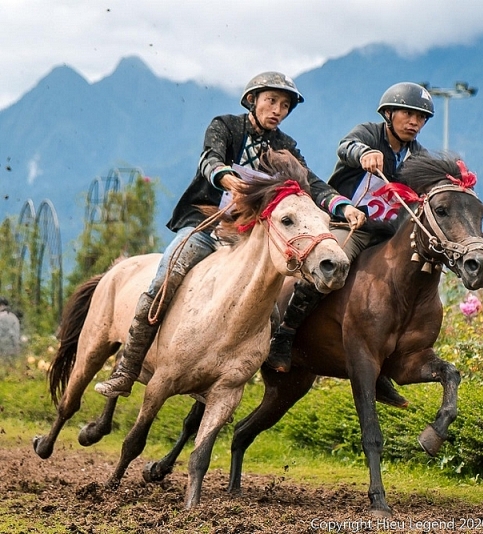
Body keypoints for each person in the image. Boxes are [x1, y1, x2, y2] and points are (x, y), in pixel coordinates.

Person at [95, 71, 366, 398]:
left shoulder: (285, 147)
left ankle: (224, 375)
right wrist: (226, 178)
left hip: (246, 238)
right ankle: (127, 368)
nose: (277, 109)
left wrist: (342, 206)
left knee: (272, 309)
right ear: (252, 100)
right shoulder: (224, 126)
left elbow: (312, 183)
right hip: (205, 225)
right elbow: (209, 161)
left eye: (284, 105)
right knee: (163, 280)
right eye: (271, 101)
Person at [265, 82, 434, 372]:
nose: (415, 122)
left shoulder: (418, 156)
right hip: (350, 224)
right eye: (408, 114)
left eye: (421, 118)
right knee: (335, 262)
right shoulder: (369, 133)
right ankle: (285, 333)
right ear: (389, 114)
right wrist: (364, 153)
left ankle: (387, 356)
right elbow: (346, 147)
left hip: (389, 235)